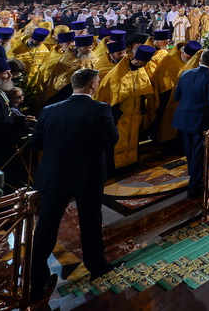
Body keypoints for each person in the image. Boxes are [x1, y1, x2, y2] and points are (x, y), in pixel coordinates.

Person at [29, 68, 119, 301]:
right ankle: (97, 267)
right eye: (97, 82)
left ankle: (37, 280)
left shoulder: (49, 110)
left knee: (46, 227)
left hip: (54, 176)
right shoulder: (100, 109)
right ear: (91, 85)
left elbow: (36, 142)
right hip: (87, 176)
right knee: (90, 222)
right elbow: (111, 140)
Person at [172, 49, 209, 199]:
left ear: (200, 59)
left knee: (190, 152)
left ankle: (193, 175)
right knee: (199, 155)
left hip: (184, 119)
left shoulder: (186, 73)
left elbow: (177, 96)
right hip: (200, 122)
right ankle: (194, 190)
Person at [96, 45, 157, 168]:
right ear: (138, 60)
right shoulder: (118, 72)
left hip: (135, 112)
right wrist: (115, 113)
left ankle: (131, 162)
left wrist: (142, 106)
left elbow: (143, 89)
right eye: (144, 63)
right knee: (119, 139)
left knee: (133, 137)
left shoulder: (140, 69)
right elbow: (110, 93)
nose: (145, 66)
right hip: (121, 114)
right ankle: (116, 166)